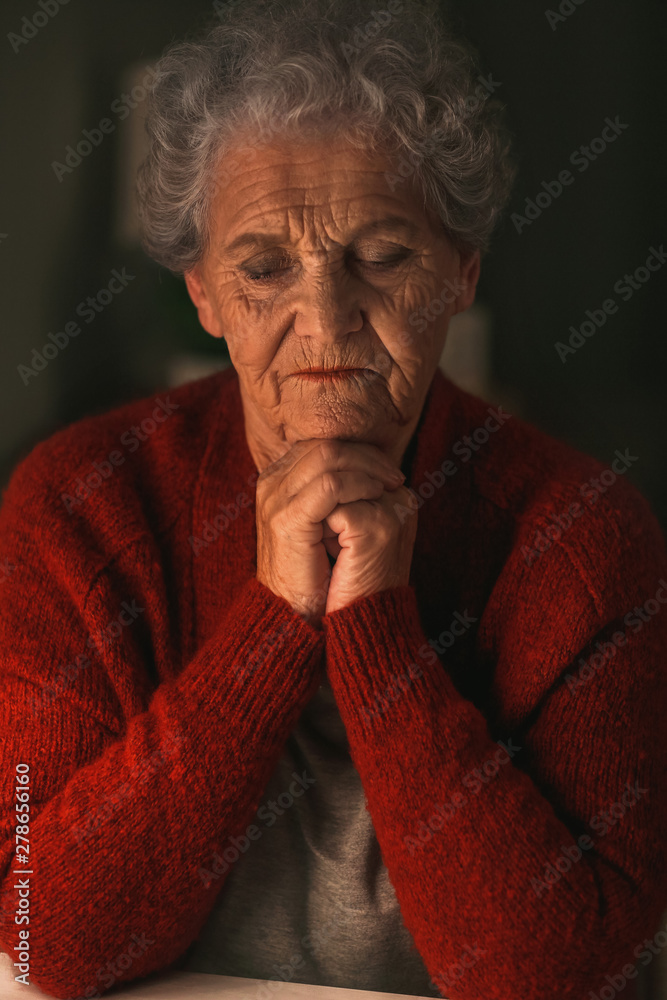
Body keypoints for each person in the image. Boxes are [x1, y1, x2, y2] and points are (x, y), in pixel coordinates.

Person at [0, 0, 665, 998]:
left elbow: (559, 976)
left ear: (460, 271)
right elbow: (40, 932)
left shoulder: (588, 537)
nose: (326, 319)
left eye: (384, 257)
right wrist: (271, 622)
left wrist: (375, 627)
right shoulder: (75, 505)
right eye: (264, 267)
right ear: (204, 296)